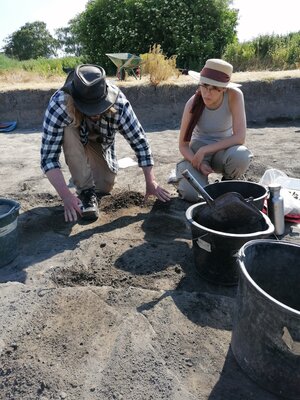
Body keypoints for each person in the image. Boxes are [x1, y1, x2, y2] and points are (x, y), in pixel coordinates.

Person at [41, 64, 170, 222]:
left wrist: (151, 181)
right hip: (74, 140)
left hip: (100, 144)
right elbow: (48, 158)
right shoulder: (59, 105)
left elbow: (139, 142)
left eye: (98, 107)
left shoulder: (119, 103)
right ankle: (85, 188)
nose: (94, 113)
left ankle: (86, 173)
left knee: (104, 187)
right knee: (68, 131)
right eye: (88, 108)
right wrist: (66, 196)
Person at [175, 58, 253, 202]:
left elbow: (240, 137)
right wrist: (197, 160)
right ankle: (181, 176)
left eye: (213, 88)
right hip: (197, 154)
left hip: (223, 152)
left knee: (242, 156)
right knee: (194, 195)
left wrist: (206, 149)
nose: (207, 93)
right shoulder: (192, 103)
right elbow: (183, 145)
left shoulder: (234, 96)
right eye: (204, 86)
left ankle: (227, 183)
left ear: (224, 88)